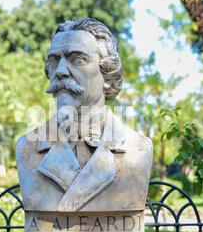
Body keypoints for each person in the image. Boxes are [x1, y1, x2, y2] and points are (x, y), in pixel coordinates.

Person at [16, 18, 153, 212]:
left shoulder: (137, 149)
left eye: (77, 59)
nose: (60, 72)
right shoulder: (27, 148)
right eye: (55, 61)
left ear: (107, 75)